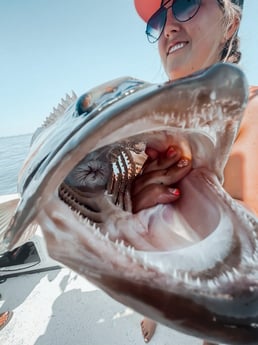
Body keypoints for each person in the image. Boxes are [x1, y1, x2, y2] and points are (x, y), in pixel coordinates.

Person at [132, 0, 258, 343]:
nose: (169, 26)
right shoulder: (149, 119)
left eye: (187, 4)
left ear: (230, 23)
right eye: (159, 18)